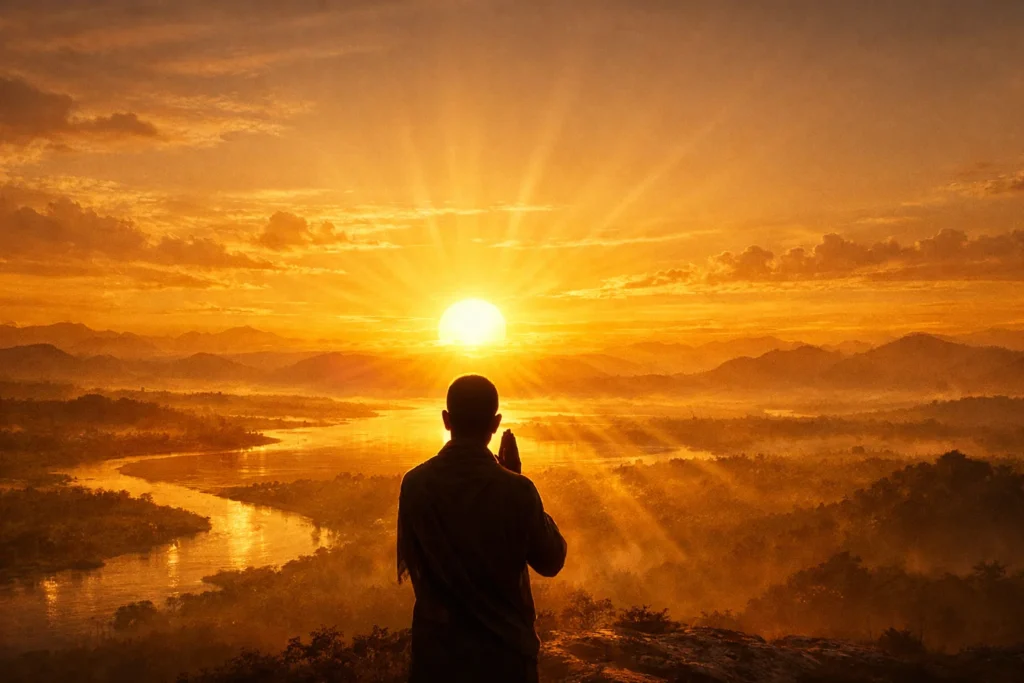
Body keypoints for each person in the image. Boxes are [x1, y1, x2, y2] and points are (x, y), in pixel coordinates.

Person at [397, 374, 567, 683]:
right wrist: (515, 477)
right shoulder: (516, 490)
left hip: (437, 661)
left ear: (447, 420)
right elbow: (551, 560)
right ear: (495, 423)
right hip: (504, 660)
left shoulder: (415, 484)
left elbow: (412, 563)